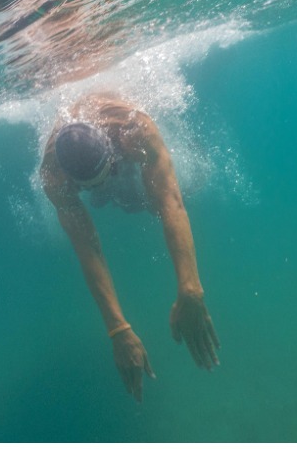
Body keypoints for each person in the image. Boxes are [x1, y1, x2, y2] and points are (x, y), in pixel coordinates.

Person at [41, 92, 219, 402]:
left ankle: (112, 182)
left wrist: (191, 290)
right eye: (85, 186)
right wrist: (117, 328)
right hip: (96, 168)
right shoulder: (54, 177)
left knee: (149, 204)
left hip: (125, 149)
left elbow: (171, 203)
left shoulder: (135, 131)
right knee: (113, 198)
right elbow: (88, 247)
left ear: (113, 154)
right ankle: (102, 188)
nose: (96, 187)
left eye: (104, 175)